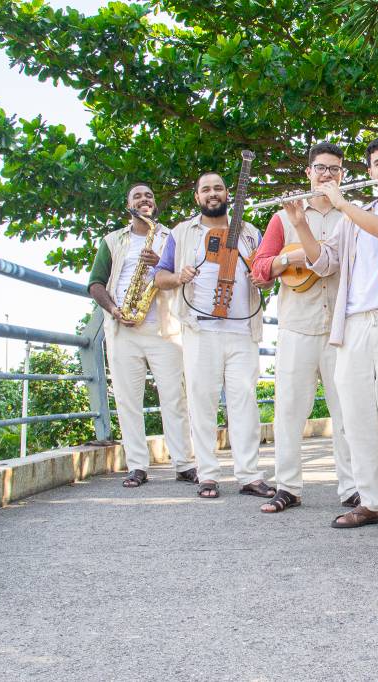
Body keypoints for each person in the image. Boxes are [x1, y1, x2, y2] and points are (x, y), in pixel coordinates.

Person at [283, 136, 378, 539]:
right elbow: (324, 265)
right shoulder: (353, 217)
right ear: (370, 171)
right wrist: (301, 222)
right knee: (356, 418)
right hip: (354, 323)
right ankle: (372, 502)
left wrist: (341, 202)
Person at [154, 171, 274, 500]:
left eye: (218, 188)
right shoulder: (181, 233)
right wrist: (180, 276)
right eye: (205, 189)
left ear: (227, 194)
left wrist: (262, 280)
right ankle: (207, 475)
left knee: (244, 403)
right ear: (197, 197)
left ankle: (249, 475)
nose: (212, 193)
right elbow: (159, 276)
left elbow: (267, 277)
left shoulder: (250, 233)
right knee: (202, 402)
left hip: (242, 330)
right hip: (199, 329)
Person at [251, 143, 358, 514]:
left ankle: (352, 488)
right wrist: (290, 257)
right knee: (290, 410)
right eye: (320, 168)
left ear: (342, 175)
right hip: (297, 325)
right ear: (308, 173)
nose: (327, 174)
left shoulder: (352, 216)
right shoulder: (284, 218)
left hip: (340, 328)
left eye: (334, 169)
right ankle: (288, 487)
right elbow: (260, 269)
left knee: (347, 411)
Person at [88, 183, 196, 488]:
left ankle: (185, 463)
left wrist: (160, 264)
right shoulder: (112, 240)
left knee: (175, 397)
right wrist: (113, 308)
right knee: (127, 399)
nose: (144, 199)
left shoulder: (172, 236)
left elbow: (185, 274)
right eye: (137, 196)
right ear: (128, 205)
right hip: (124, 327)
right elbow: (96, 283)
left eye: (148, 195)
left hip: (165, 328)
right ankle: (136, 465)